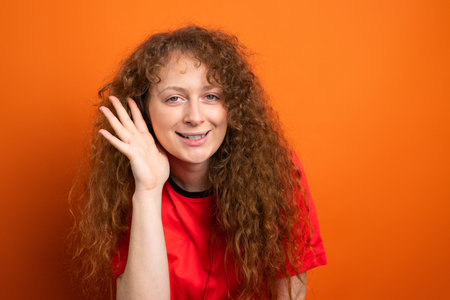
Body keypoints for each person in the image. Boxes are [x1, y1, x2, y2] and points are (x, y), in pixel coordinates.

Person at [69, 26, 326, 300]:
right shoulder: (127, 185)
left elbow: (290, 295)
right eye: (174, 98)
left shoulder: (277, 171)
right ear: (145, 110)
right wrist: (148, 190)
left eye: (211, 96)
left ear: (233, 106)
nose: (194, 116)